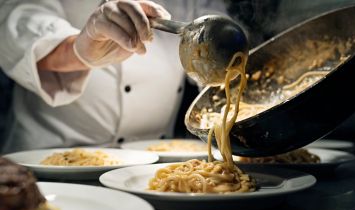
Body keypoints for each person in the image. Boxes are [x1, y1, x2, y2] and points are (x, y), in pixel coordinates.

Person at [0, 0, 225, 153]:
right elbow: (16, 22)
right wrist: (78, 50)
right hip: (48, 161)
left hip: (156, 161)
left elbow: (215, 26)